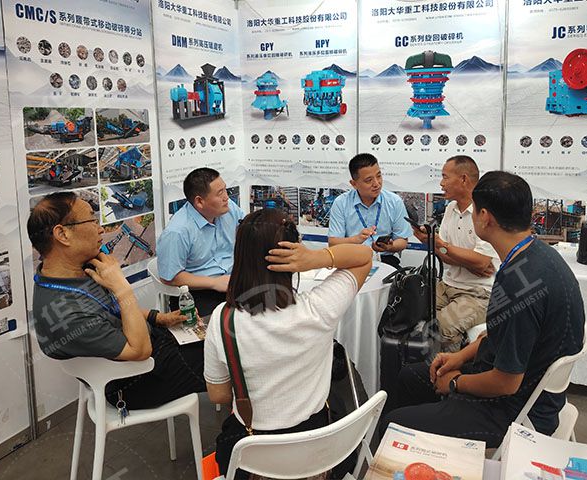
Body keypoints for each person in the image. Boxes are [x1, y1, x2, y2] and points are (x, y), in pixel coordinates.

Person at [379, 171, 585, 448]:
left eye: (474, 209)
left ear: (485, 217)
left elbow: (506, 382)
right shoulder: (539, 256)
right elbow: (500, 334)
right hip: (517, 384)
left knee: (392, 423)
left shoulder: (518, 283)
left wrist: (456, 383)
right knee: (409, 377)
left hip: (514, 410)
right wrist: (460, 357)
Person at [203, 208, 373, 475]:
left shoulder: (223, 319)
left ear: (240, 256)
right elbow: (364, 257)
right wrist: (315, 258)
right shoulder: (319, 308)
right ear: (295, 252)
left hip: (252, 454)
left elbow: (218, 394)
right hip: (317, 453)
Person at [28, 192, 205, 409]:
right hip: (135, 380)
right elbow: (140, 351)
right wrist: (122, 287)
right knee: (229, 355)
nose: (101, 229)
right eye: (92, 220)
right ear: (62, 234)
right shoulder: (68, 314)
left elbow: (111, 310)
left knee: (220, 336)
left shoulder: (74, 272)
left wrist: (159, 318)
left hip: (151, 345)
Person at [411, 156, 499, 351]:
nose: (441, 184)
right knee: (411, 311)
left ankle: (452, 366)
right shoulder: (451, 209)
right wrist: (431, 242)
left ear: (464, 179)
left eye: (445, 177)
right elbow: (445, 255)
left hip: (479, 293)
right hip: (448, 285)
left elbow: (482, 263)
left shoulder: (486, 212)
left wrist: (444, 246)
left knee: (440, 328)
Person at [156, 167, 245, 317]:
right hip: (198, 291)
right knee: (222, 325)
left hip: (232, 280)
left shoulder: (228, 208)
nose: (226, 197)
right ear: (199, 201)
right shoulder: (177, 232)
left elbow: (247, 226)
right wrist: (214, 283)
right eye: (220, 193)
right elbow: (170, 277)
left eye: (225, 190)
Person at [328, 153, 413, 268]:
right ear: (354, 184)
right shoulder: (341, 203)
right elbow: (333, 243)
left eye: (379, 176)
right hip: (352, 260)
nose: (377, 184)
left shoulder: (394, 201)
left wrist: (390, 247)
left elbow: (402, 240)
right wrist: (357, 239)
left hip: (385, 260)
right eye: (369, 180)